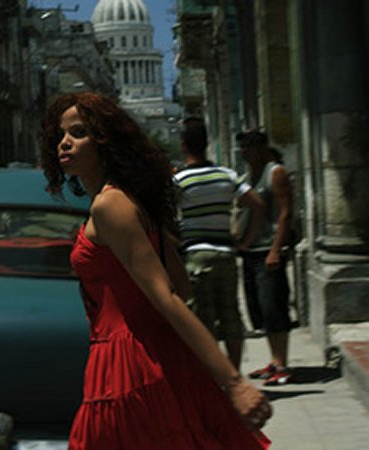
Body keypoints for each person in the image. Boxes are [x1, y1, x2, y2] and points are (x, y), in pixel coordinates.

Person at [40, 93, 271, 449]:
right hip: (157, 352)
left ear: (105, 141)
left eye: (79, 132)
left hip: (127, 361)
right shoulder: (129, 200)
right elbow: (182, 286)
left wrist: (234, 382)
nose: (64, 142)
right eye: (61, 134)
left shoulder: (109, 205)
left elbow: (167, 296)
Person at [174, 117, 265, 370]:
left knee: (202, 320)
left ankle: (212, 376)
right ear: (206, 143)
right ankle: (234, 373)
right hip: (226, 254)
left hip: (196, 255)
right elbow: (257, 204)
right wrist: (245, 241)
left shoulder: (180, 180)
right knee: (231, 316)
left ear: (183, 145)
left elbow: (163, 217)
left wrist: (178, 240)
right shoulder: (227, 175)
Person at [235, 129, 295, 386]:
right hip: (251, 251)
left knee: (273, 307)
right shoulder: (248, 177)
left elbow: (285, 213)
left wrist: (275, 250)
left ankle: (281, 364)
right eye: (242, 148)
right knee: (259, 309)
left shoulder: (275, 173)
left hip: (268, 251)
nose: (244, 152)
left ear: (261, 148)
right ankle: (274, 360)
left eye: (248, 147)